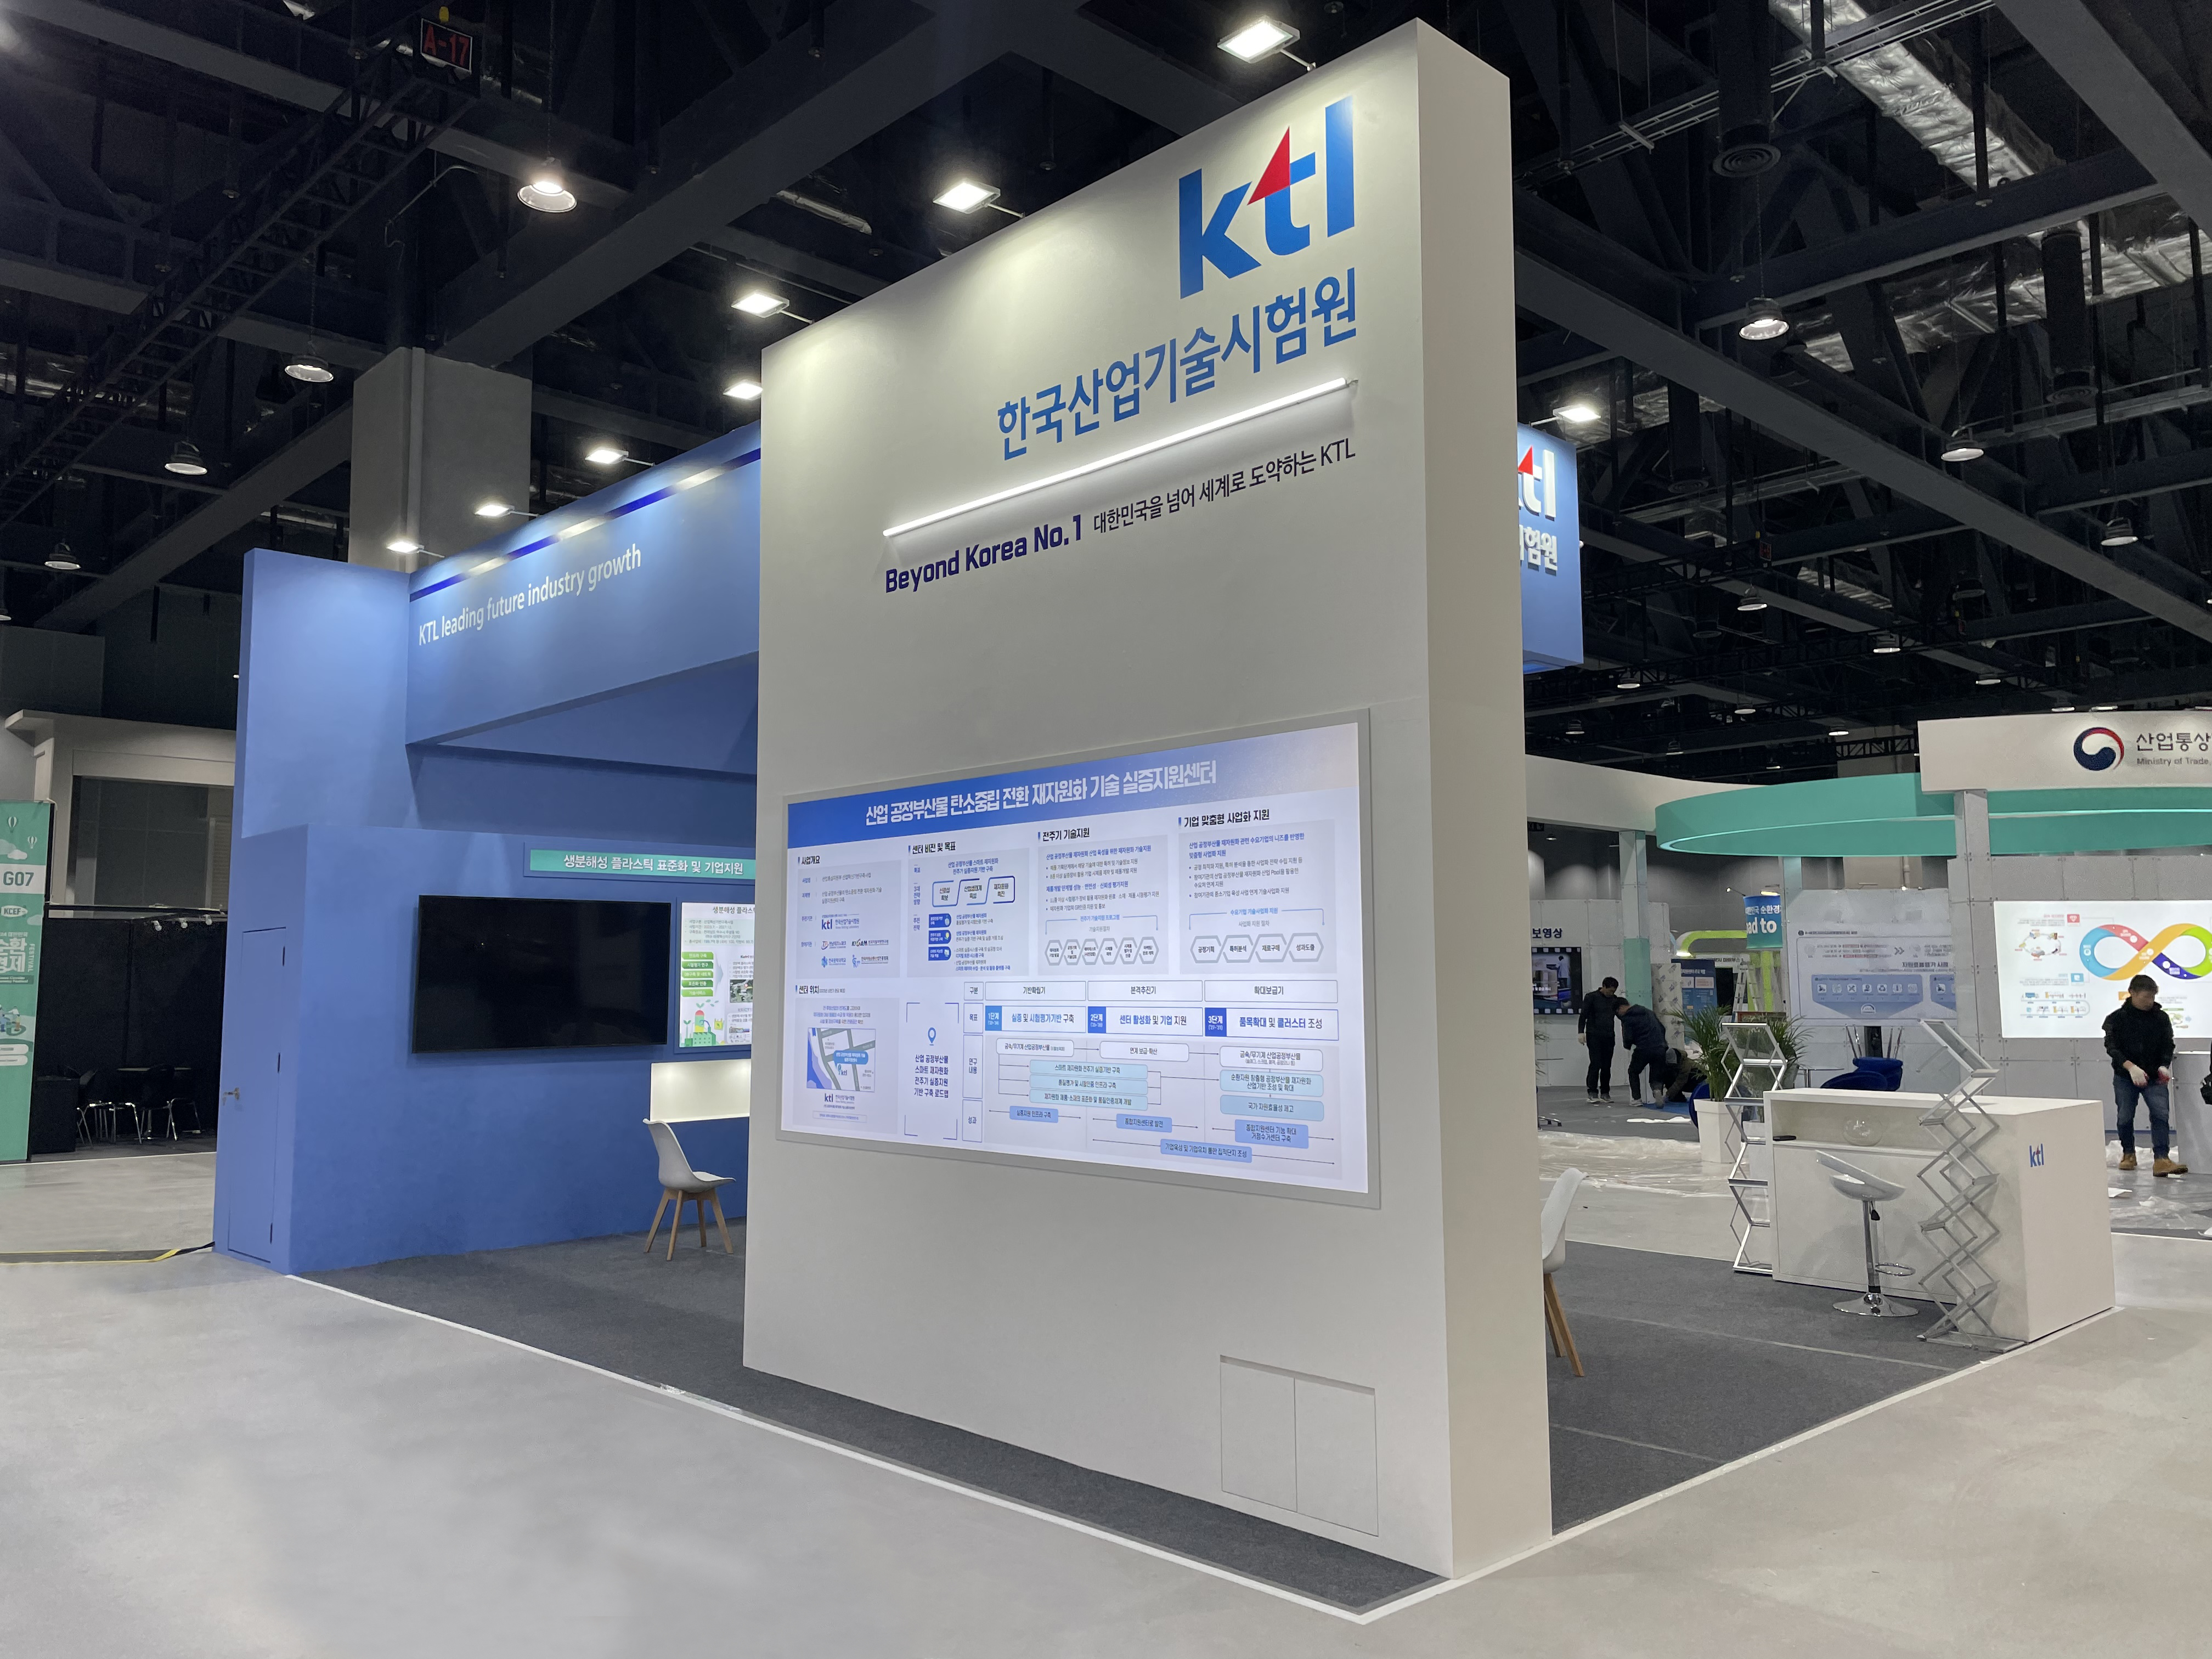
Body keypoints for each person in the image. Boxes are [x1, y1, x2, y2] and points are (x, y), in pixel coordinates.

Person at [2104, 974, 2188, 1176]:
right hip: (2126, 1077)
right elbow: (2112, 1048)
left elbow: (2168, 1044)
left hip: (2155, 1077)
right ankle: (2128, 1154)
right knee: (2125, 1116)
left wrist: (2164, 1065)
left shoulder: (2161, 1018)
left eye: (2152, 997)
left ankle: (2162, 1158)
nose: (2149, 1002)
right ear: (2132, 993)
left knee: (2161, 1115)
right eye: (2145, 998)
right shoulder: (2116, 1019)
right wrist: (2130, 1067)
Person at [1616, 997, 1672, 1106]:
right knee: (1657, 1075)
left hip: (1644, 1048)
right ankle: (1657, 1091)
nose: (1619, 1015)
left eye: (1617, 1012)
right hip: (1660, 1047)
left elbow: (1628, 1037)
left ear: (1621, 1008)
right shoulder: (1648, 1012)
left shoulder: (1627, 1017)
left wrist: (1627, 1046)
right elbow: (1662, 1028)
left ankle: (1637, 1099)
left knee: (1633, 1071)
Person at [1576, 976, 1621, 1103]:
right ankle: (1592, 1092)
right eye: (1609, 991)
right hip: (1594, 1035)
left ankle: (1605, 1092)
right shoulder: (1591, 997)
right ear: (1604, 987)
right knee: (1596, 1064)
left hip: (1609, 1036)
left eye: (1613, 992)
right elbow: (1583, 1016)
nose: (1611, 994)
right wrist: (1581, 1032)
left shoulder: (1614, 1000)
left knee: (1607, 1066)